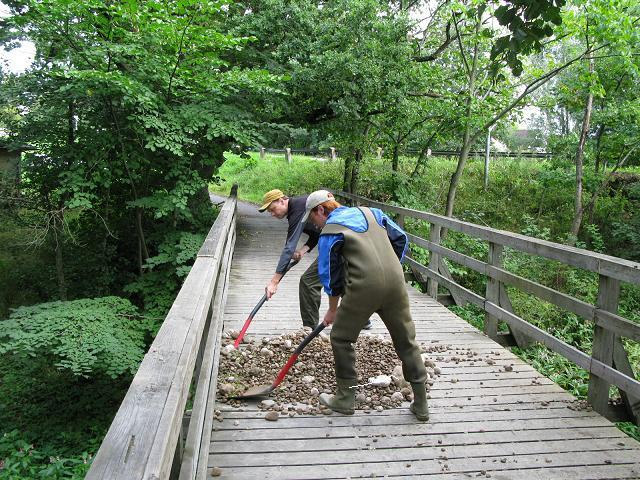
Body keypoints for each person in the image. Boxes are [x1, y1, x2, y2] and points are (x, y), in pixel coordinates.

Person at [300, 190, 429, 421]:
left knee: (341, 338)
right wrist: (391, 268)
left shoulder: (331, 230)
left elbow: (330, 275)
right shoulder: (373, 213)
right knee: (407, 342)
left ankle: (345, 398)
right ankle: (421, 404)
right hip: (396, 285)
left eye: (313, 219)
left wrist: (332, 309)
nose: (315, 225)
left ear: (321, 210)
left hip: (363, 288)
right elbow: (401, 238)